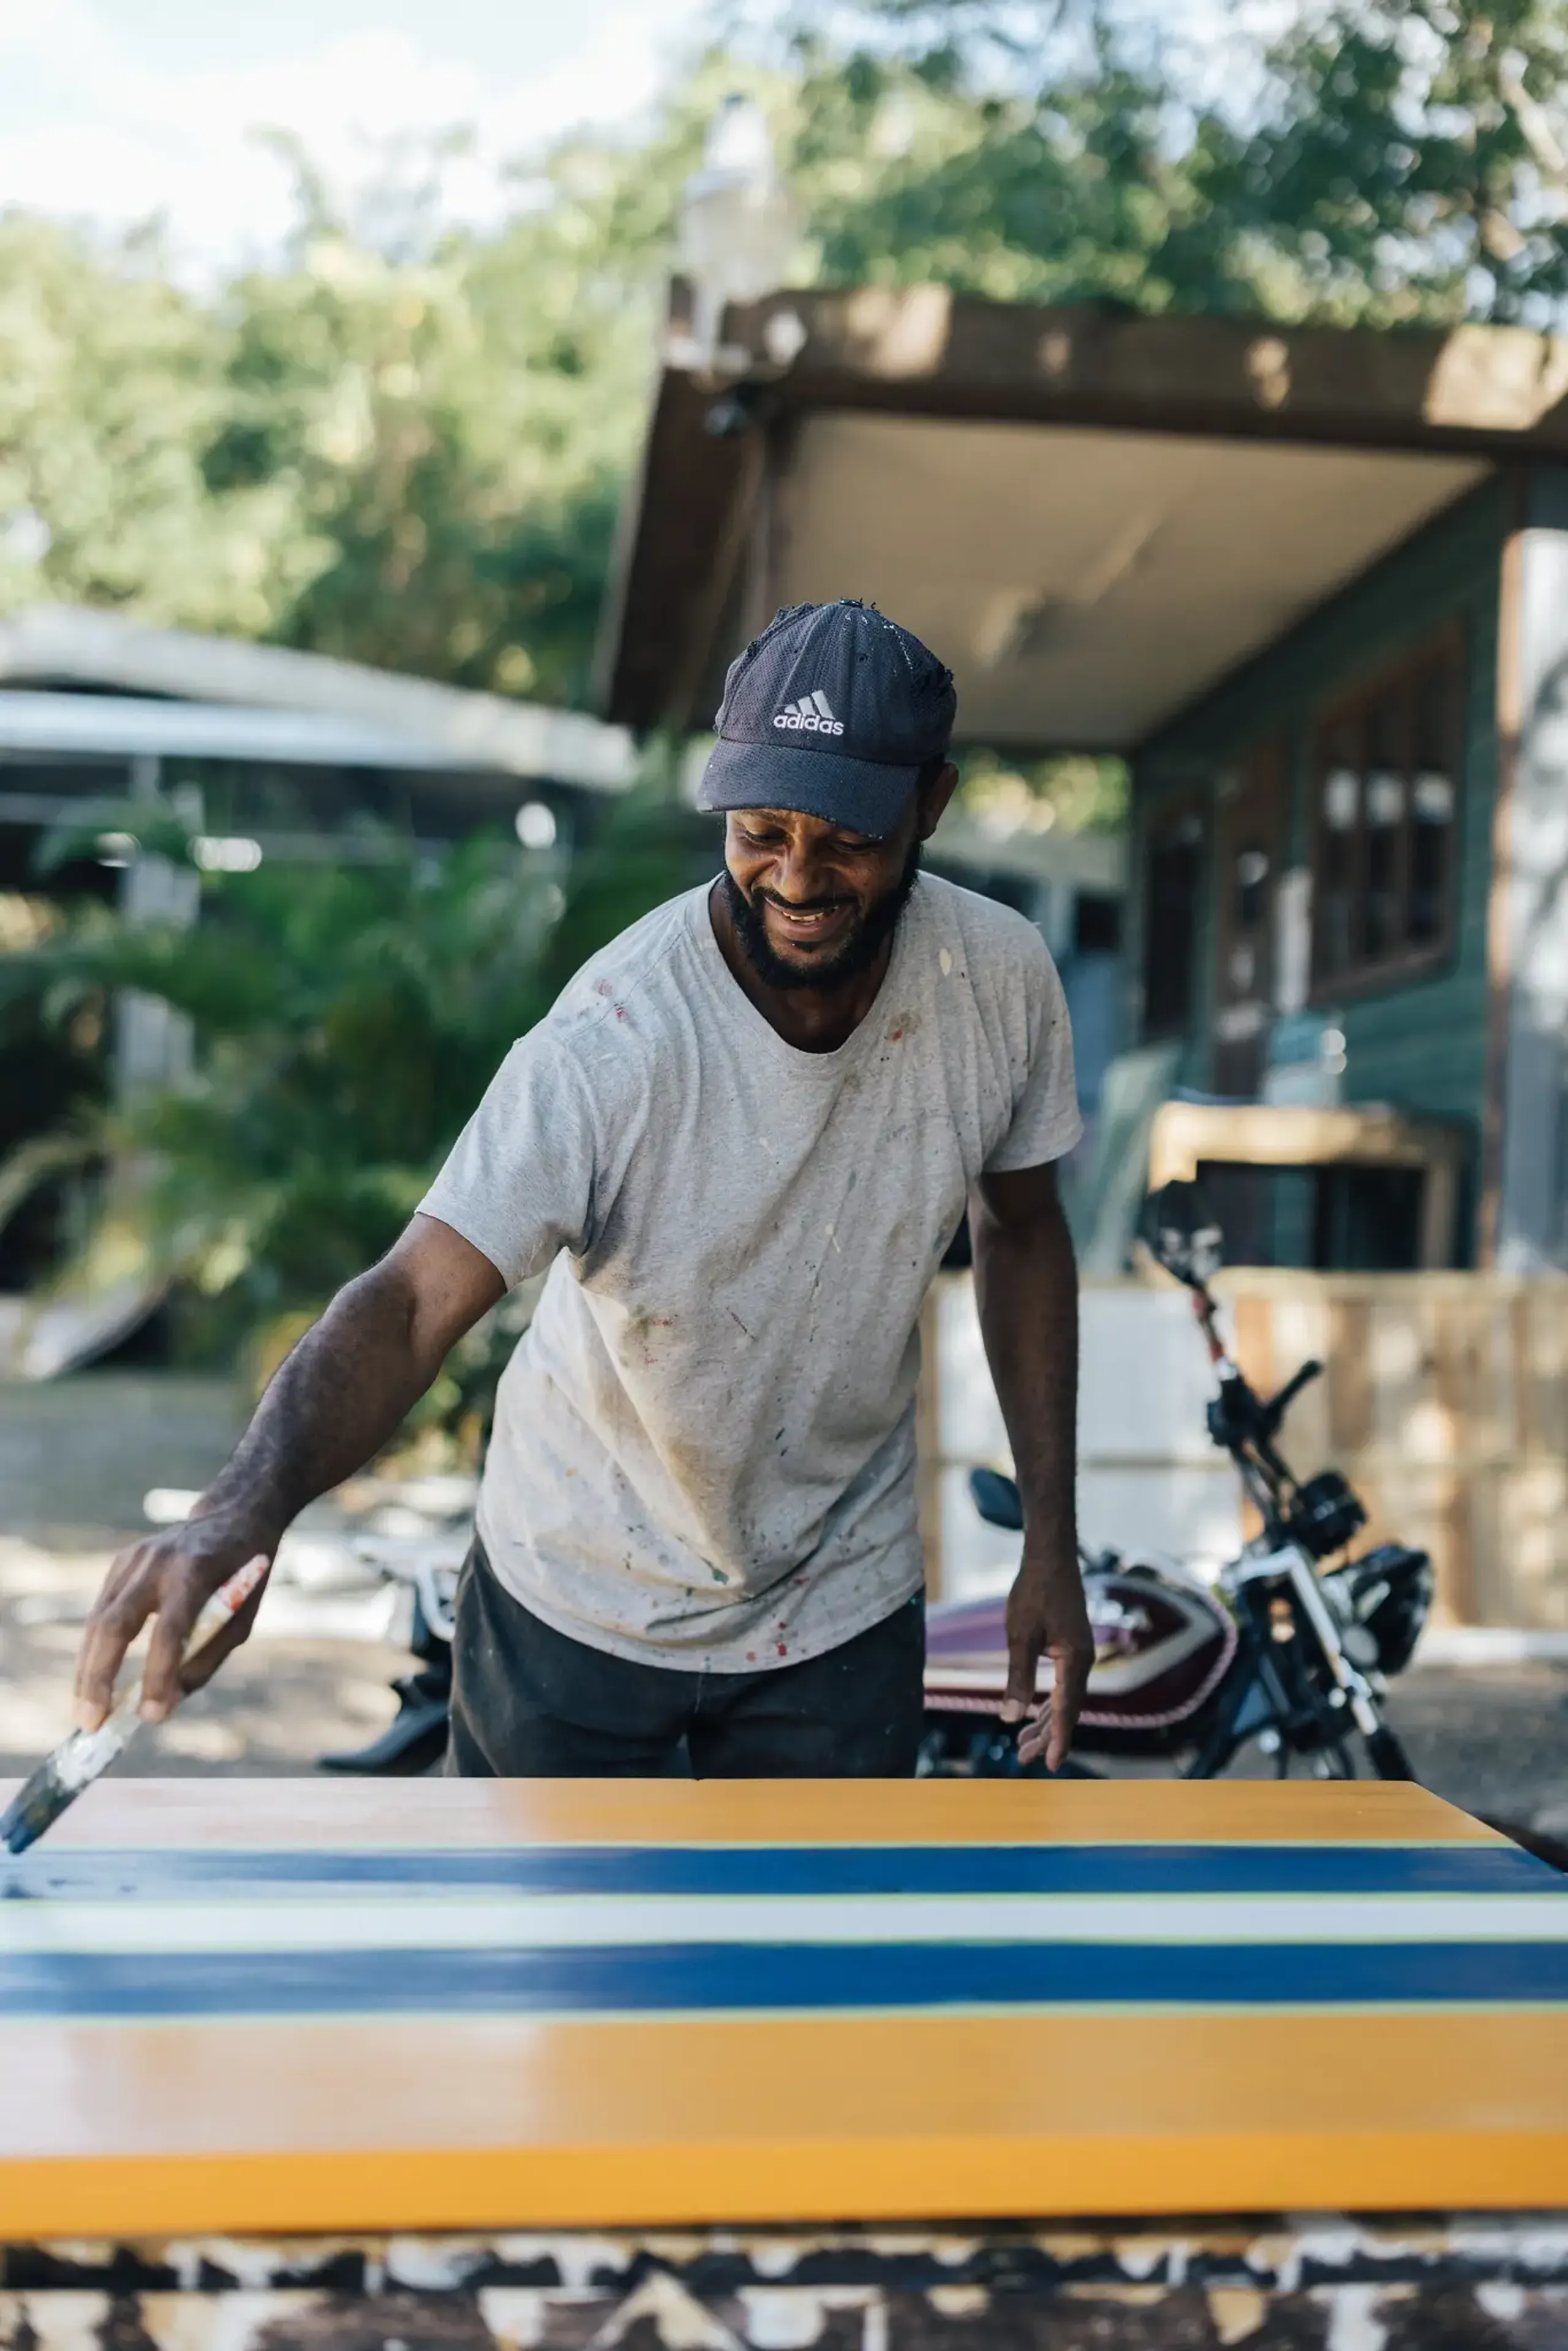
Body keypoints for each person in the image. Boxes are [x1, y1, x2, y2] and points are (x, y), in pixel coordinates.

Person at [73, 599, 1092, 1778]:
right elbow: (408, 1305)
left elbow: (1022, 1233)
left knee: (807, 1962)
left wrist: (1051, 1542)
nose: (797, 876)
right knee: (541, 1956)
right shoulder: (615, 1039)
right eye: (760, 828)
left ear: (931, 806)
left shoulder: (997, 984)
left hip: (834, 1605)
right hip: (573, 1589)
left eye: (847, 839)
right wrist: (238, 1511)